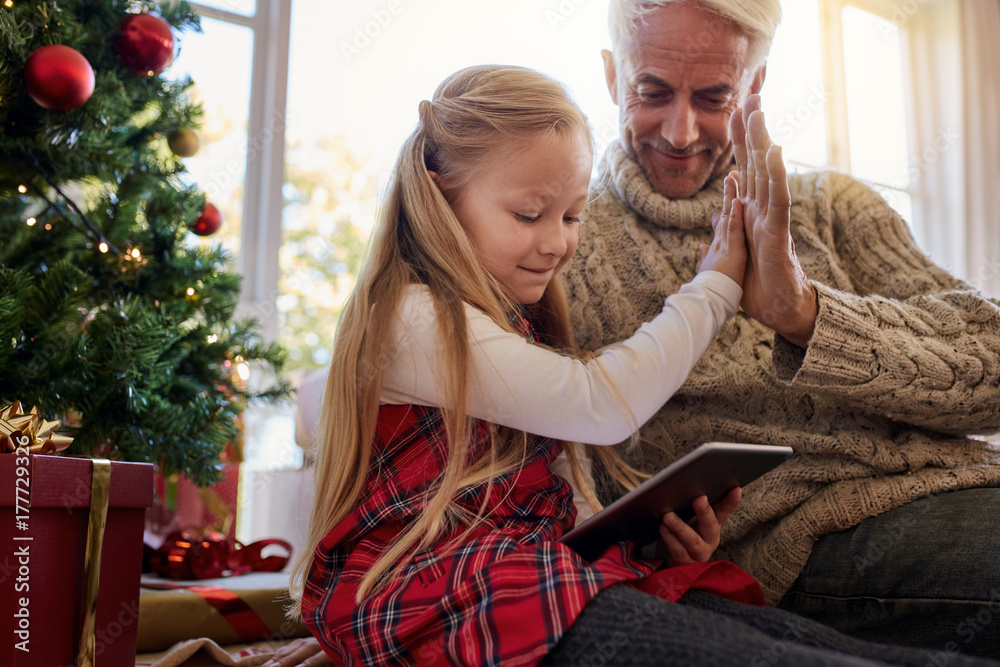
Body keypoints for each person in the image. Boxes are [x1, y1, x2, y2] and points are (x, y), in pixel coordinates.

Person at [272, 64, 1000, 667]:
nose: (558, 243)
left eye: (571, 216)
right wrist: (716, 283)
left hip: (537, 569)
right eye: (530, 214)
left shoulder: (512, 318)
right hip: (455, 588)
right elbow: (602, 402)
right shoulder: (411, 317)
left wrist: (641, 531)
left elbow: (556, 492)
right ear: (438, 199)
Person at [559, 0, 1000, 658]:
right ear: (611, 77)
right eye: (652, 91)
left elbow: (991, 370)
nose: (681, 132)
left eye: (714, 96)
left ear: (756, 86)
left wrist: (806, 314)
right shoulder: (564, 248)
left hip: (967, 483)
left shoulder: (835, 204)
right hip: (809, 536)